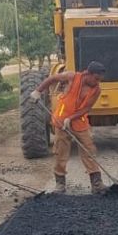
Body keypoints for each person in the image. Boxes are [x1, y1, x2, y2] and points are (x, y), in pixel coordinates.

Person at [29, 61, 107, 194]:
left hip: (79, 122)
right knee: (61, 152)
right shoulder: (72, 76)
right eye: (96, 79)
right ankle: (60, 184)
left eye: (100, 80)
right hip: (60, 121)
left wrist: (70, 119)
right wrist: (38, 91)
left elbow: (87, 108)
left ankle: (97, 184)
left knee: (89, 151)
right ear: (88, 74)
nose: (97, 82)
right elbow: (52, 78)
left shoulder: (96, 90)